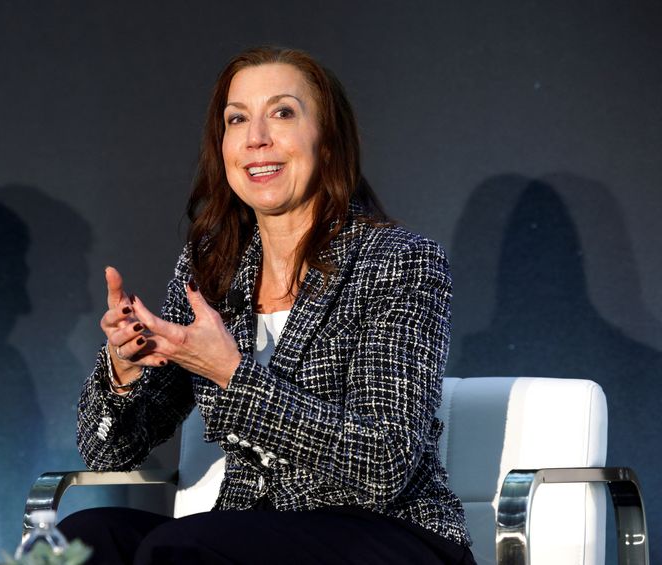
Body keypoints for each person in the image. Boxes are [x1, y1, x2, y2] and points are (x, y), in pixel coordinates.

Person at [59, 46, 475, 564]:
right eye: (237, 119)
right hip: (254, 530)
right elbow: (108, 452)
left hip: (388, 534)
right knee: (82, 539)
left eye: (282, 113)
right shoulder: (210, 270)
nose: (257, 138)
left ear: (327, 143)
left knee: (182, 547)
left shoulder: (398, 262)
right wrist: (123, 370)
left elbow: (381, 463)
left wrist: (234, 374)